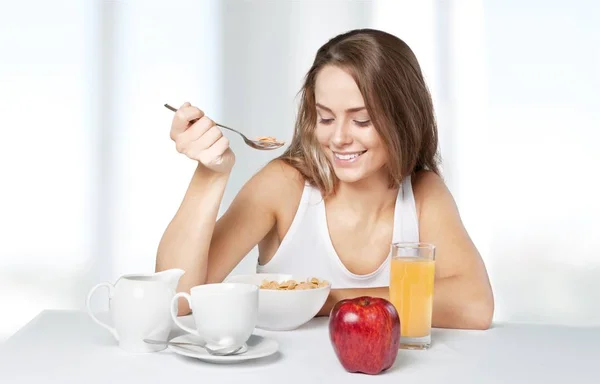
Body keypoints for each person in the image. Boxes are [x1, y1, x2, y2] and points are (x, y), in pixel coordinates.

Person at [156, 28, 494, 330]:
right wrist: (211, 174)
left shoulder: (423, 194)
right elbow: (177, 299)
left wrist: (317, 299)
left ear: (403, 118)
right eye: (326, 118)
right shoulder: (285, 186)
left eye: (361, 120)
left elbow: (475, 305)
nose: (339, 138)